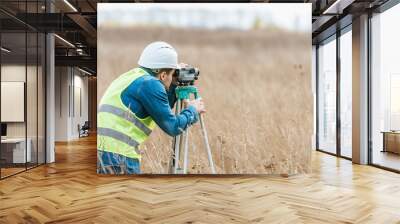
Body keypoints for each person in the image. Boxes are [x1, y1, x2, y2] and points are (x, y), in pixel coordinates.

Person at [97, 41, 205, 174]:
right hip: (119, 157)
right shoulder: (150, 84)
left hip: (103, 152)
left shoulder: (134, 76)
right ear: (163, 75)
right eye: (172, 74)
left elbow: (159, 107)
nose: (172, 78)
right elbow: (172, 126)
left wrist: (172, 85)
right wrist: (192, 111)